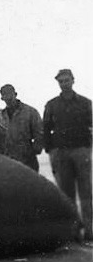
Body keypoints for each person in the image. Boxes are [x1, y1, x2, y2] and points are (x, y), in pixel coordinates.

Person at [42, 69, 92, 241]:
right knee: (66, 193)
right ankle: (73, 231)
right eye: (61, 81)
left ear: (73, 80)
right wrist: (51, 150)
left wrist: (88, 147)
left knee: (86, 192)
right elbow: (45, 129)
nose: (64, 83)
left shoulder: (85, 103)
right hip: (61, 153)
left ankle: (90, 230)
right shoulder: (52, 105)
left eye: (67, 80)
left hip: (81, 151)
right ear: (58, 83)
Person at [0, 84, 44, 171]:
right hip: (7, 160)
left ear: (15, 94)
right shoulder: (0, 116)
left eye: (10, 94)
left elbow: (39, 133)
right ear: (2, 98)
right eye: (5, 95)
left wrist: (34, 150)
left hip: (27, 159)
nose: (8, 98)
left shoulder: (30, 112)